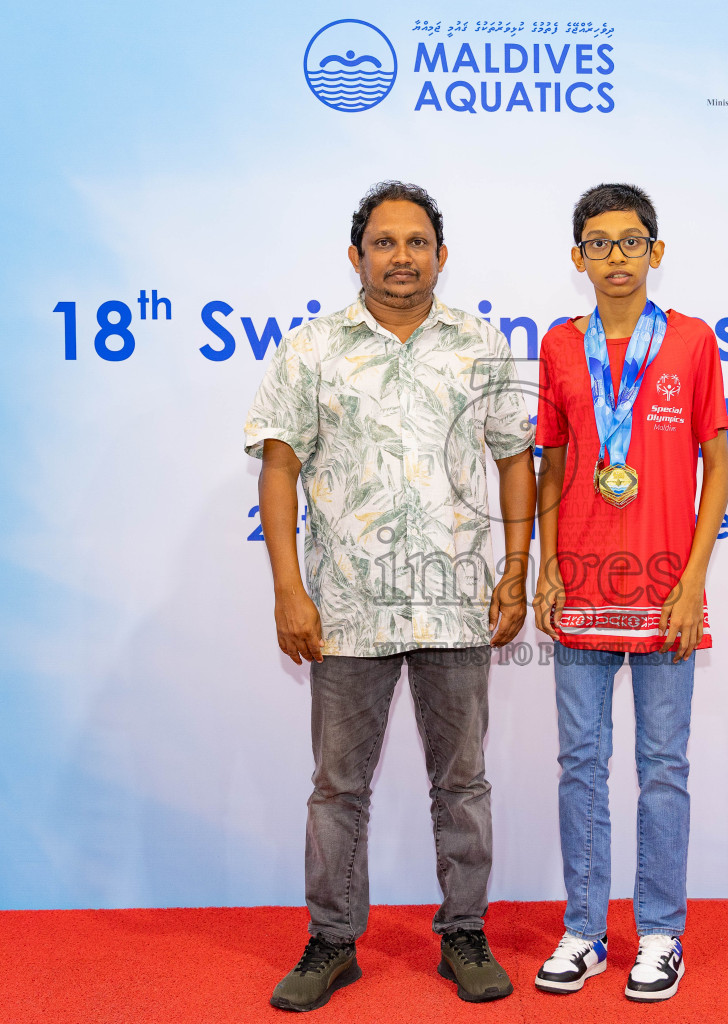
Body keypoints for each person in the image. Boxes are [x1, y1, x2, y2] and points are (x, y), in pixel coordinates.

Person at [244, 181, 536, 1012]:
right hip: (346, 608)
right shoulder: (311, 349)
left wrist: (516, 570)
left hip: (455, 601)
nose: (400, 256)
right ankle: (332, 943)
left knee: (463, 784)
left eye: (416, 242)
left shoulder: (481, 344)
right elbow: (279, 467)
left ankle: (464, 934)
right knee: (338, 787)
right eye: (384, 242)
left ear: (441, 255)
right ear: (356, 255)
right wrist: (288, 589)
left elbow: (515, 458)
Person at [531, 183, 728, 1002]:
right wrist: (546, 566)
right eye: (599, 242)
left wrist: (694, 582)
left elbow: (717, 467)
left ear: (657, 250)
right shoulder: (558, 346)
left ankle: (659, 935)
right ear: (577, 257)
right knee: (581, 764)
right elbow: (551, 465)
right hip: (582, 583)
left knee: (662, 767)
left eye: (631, 240)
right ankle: (583, 931)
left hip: (665, 588)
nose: (616, 256)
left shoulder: (691, 342)